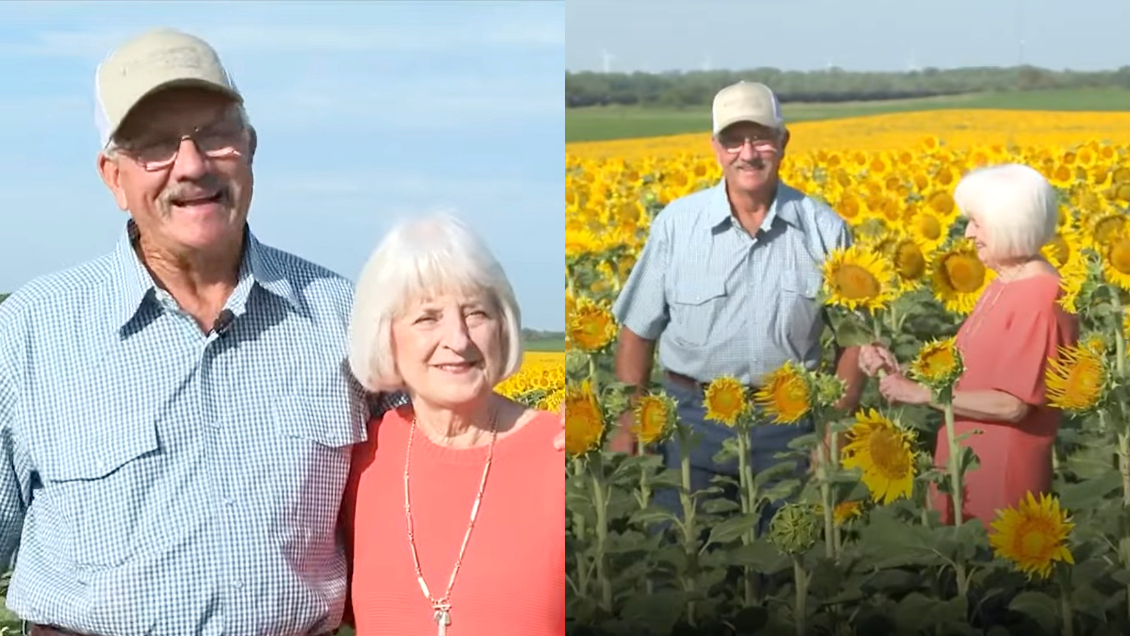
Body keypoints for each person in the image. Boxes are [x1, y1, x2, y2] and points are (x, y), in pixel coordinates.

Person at [0, 28, 562, 636]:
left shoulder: (340, 317)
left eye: (215, 135)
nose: (191, 166)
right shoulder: (33, 331)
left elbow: (439, 447)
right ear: (114, 177)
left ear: (249, 147)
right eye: (155, 146)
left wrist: (542, 445)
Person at [608, 80, 864, 532]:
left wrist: (833, 431)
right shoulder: (677, 226)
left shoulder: (824, 229)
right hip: (689, 422)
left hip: (786, 425)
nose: (747, 153)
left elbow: (854, 343)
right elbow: (637, 332)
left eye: (760, 137)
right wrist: (631, 421)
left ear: (783, 142)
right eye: (733, 140)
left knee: (782, 573)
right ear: (716, 148)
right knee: (680, 561)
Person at [339, 214, 564, 636]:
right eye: (428, 318)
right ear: (385, 335)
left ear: (504, 326)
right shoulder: (361, 461)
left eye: (476, 313)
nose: (458, 340)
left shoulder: (560, 452)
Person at [859, 163, 1078, 528]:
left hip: (1002, 482)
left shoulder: (1041, 296)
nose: (969, 232)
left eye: (978, 222)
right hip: (968, 469)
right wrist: (900, 371)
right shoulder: (1003, 285)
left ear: (1012, 224)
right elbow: (971, 372)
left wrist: (920, 393)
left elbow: (1012, 404)